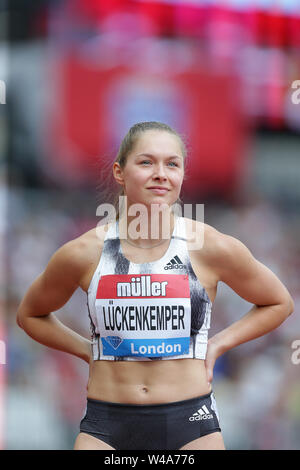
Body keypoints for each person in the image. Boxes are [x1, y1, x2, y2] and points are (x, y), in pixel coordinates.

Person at [17, 121, 294, 451]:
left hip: (191, 423)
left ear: (181, 175)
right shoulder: (84, 252)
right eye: (147, 162)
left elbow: (279, 302)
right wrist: (85, 349)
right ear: (120, 172)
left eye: (172, 164)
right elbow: (30, 314)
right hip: (107, 424)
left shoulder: (210, 246)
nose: (161, 173)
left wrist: (218, 344)